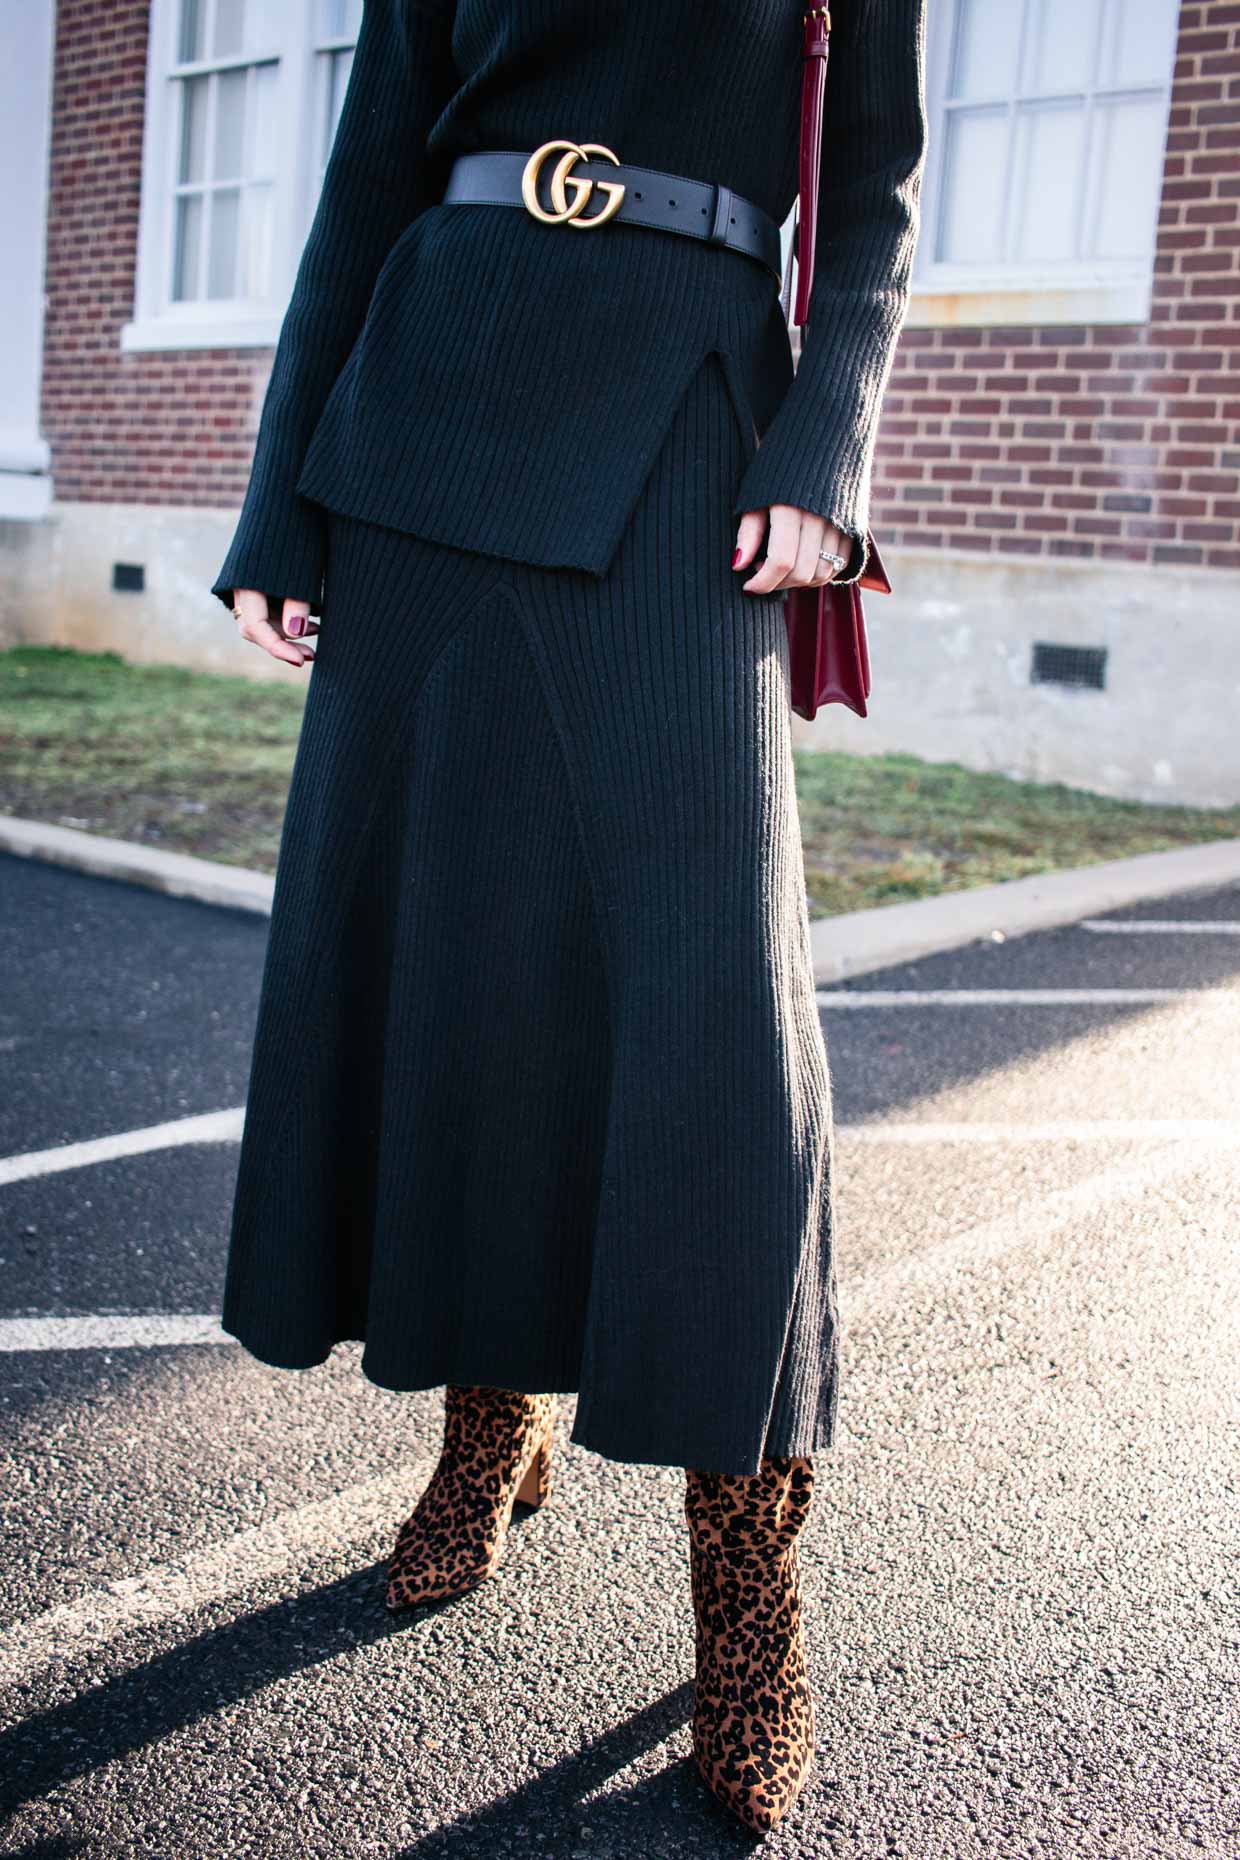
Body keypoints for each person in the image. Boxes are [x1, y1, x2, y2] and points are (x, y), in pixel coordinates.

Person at [213, 0, 927, 1833]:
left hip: (686, 422)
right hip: (419, 421)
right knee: (461, 962)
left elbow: (872, 199)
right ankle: (489, 1412)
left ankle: (746, 1570)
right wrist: (278, 502)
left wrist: (825, 445)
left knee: (710, 1019)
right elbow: (370, 173)